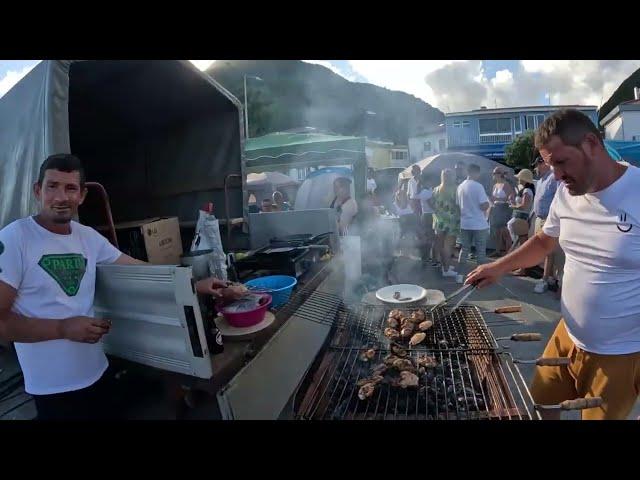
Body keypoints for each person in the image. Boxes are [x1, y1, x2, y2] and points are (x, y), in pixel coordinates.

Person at [0, 154, 245, 420]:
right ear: (38, 190)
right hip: (53, 389)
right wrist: (63, 328)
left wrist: (194, 284)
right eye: (52, 186)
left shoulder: (88, 237)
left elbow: (137, 268)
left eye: (70, 188)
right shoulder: (15, 239)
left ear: (81, 195)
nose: (61, 197)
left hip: (98, 373)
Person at [466, 109, 640, 420]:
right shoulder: (566, 191)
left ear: (590, 144)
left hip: (620, 353)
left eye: (561, 162)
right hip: (567, 335)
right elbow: (546, 241)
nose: (556, 175)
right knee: (543, 404)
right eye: (550, 165)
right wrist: (498, 268)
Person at [530, 156, 563, 294]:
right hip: (539, 218)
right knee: (544, 251)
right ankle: (549, 277)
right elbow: (537, 200)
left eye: (537, 165)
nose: (535, 169)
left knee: (550, 251)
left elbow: (560, 197)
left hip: (550, 220)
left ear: (543, 164)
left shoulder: (553, 178)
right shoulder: (540, 181)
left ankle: (548, 280)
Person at [456, 163, 490, 283]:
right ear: (476, 173)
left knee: (464, 250)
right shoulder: (478, 186)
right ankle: (479, 277)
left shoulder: (460, 187)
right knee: (480, 252)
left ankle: (459, 275)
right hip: (479, 224)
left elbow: (457, 205)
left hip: (465, 223)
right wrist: (488, 203)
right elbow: (483, 206)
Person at [431, 169, 460, 278]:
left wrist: (437, 211)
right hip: (451, 221)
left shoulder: (437, 189)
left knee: (441, 244)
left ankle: (444, 266)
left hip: (439, 221)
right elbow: (458, 205)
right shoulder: (455, 189)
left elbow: (431, 202)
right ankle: (446, 270)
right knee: (448, 246)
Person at [488, 167, 515, 257]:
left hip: (504, 209)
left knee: (504, 232)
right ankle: (498, 250)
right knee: (497, 232)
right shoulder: (495, 185)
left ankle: (509, 253)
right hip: (496, 209)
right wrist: (492, 202)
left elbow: (510, 198)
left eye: (494, 173)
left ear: (500, 174)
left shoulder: (506, 185)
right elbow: (492, 197)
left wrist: (496, 199)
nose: (493, 175)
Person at [506, 169, 535, 249]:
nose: (518, 179)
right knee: (521, 241)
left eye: (520, 178)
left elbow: (524, 206)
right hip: (520, 218)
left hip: (521, 218)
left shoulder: (527, 190)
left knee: (521, 242)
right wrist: (513, 203)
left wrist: (513, 206)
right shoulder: (526, 190)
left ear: (524, 179)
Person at [412, 173, 436, 265]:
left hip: (427, 215)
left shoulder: (428, 190)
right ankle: (425, 257)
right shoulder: (425, 192)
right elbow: (432, 205)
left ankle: (426, 257)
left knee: (429, 238)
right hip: (428, 216)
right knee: (428, 238)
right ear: (426, 182)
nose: (432, 182)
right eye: (430, 180)